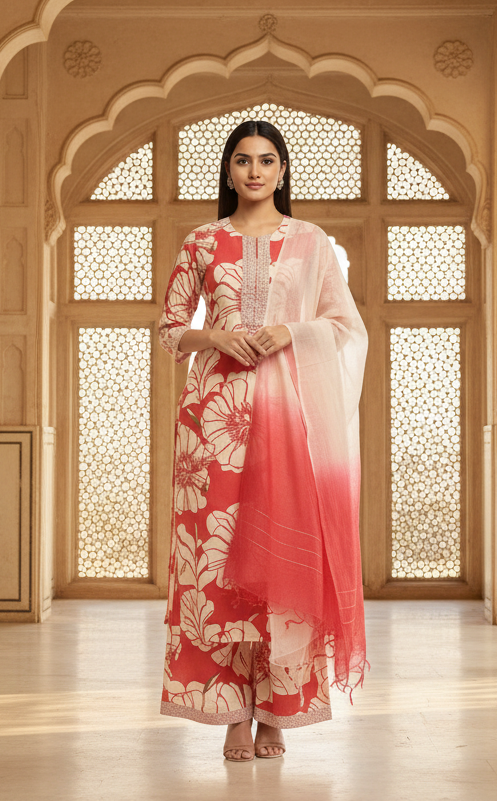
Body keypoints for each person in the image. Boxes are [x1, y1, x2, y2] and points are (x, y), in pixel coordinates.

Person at [158, 119, 368, 762]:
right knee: (215, 569)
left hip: (288, 420)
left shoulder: (311, 243)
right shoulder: (200, 241)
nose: (255, 171)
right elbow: (169, 328)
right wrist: (213, 337)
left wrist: (289, 333)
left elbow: (344, 325)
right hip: (210, 426)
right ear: (228, 171)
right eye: (243, 160)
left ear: (282, 172)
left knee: (281, 567)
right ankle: (230, 714)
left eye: (267, 160)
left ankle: (278, 709)